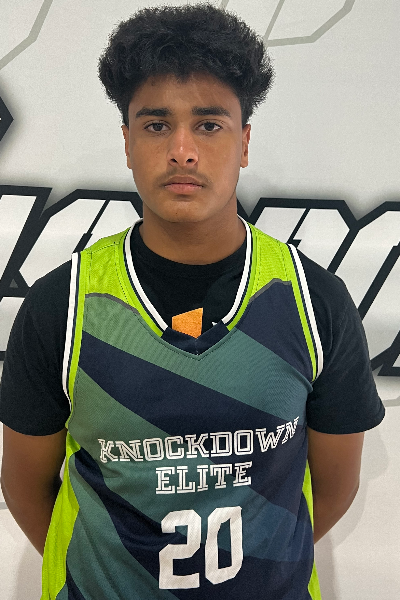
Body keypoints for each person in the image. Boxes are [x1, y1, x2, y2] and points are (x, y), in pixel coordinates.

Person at [0, 3, 385, 599]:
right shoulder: (62, 304)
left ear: (244, 142)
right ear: (127, 142)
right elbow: (26, 487)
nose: (182, 150)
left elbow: (334, 487)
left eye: (208, 125)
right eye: (157, 125)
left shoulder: (314, 302)